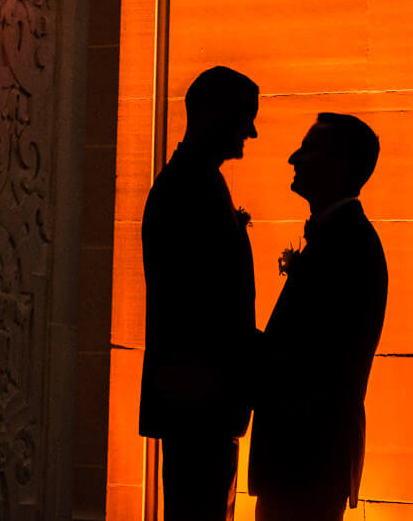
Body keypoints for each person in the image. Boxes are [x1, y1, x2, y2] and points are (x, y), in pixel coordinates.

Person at [248, 113, 387, 521]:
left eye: (308, 149)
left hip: (307, 457)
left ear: (338, 164)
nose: (294, 157)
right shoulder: (340, 238)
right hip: (305, 460)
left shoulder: (348, 246)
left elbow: (309, 359)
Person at [141, 65, 262, 521]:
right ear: (215, 114)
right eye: (244, 117)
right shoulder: (187, 189)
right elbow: (202, 307)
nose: (251, 130)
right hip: (198, 401)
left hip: (204, 402)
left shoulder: (198, 182)